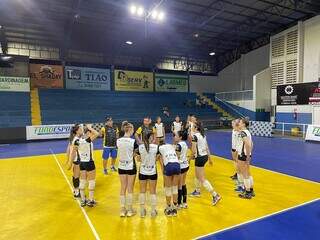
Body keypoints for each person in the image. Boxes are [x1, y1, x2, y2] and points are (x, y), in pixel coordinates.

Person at [190, 121, 221, 205]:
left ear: (196, 128)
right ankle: (197, 191)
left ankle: (215, 195)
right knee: (197, 175)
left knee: (202, 178)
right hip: (204, 157)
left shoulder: (195, 136)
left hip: (199, 158)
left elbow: (193, 150)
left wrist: (190, 158)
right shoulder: (203, 135)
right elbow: (207, 147)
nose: (192, 127)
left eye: (193, 126)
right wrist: (210, 158)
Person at [68, 124, 99, 207]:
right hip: (89, 162)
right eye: (80, 129)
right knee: (91, 181)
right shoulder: (86, 140)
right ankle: (91, 200)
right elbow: (96, 134)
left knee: (82, 181)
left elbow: (73, 152)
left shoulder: (76, 140)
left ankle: (83, 200)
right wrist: (90, 127)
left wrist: (70, 162)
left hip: (82, 163)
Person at [117, 122, 138, 217]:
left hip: (121, 166)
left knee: (123, 188)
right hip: (130, 166)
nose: (133, 131)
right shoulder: (133, 142)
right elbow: (136, 153)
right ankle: (129, 210)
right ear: (130, 130)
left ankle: (122, 210)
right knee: (130, 188)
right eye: (133, 129)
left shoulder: (118, 140)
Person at [137, 132, 158, 218]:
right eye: (153, 137)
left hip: (142, 171)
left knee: (142, 191)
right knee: (152, 191)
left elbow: (138, 159)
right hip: (152, 171)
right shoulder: (156, 147)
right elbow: (157, 158)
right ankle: (153, 211)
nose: (154, 138)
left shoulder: (140, 147)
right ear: (150, 138)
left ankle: (142, 211)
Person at [158, 142, 181, 217]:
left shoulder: (160, 148)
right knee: (174, 188)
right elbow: (178, 153)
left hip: (168, 165)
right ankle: (174, 208)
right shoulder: (171, 146)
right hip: (177, 164)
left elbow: (160, 160)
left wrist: (163, 171)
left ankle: (168, 208)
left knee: (168, 188)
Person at [236, 118, 254, 199]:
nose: (238, 123)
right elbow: (252, 144)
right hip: (246, 154)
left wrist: (246, 156)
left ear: (243, 124)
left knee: (244, 174)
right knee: (248, 173)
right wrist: (249, 153)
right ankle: (251, 190)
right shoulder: (247, 132)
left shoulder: (243, 133)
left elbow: (248, 144)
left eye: (240, 122)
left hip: (243, 155)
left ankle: (247, 192)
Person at [174, 130, 189, 209]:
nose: (174, 137)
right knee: (183, 183)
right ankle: (185, 202)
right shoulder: (184, 144)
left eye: (176, 135)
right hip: (186, 165)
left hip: (181, 166)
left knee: (179, 185)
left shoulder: (178, 145)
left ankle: (179, 203)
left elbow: (177, 156)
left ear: (180, 137)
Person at [66, 125, 80, 198]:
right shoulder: (77, 140)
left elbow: (68, 150)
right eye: (80, 129)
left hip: (75, 159)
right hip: (77, 159)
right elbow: (74, 152)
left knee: (75, 175)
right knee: (77, 176)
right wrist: (70, 163)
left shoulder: (73, 139)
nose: (81, 130)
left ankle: (75, 190)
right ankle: (77, 192)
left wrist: (68, 159)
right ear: (77, 131)